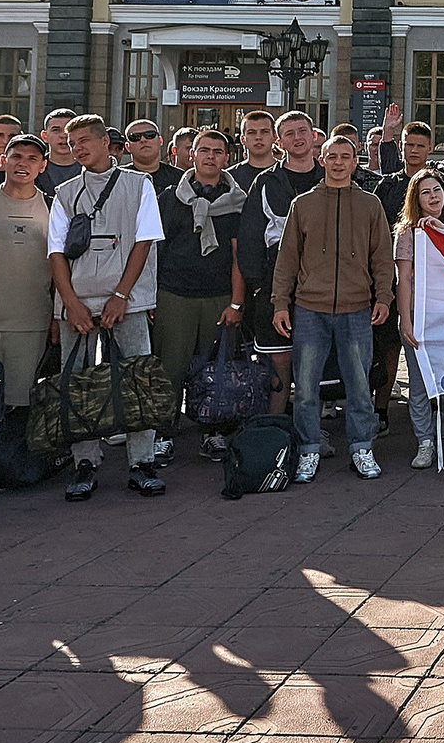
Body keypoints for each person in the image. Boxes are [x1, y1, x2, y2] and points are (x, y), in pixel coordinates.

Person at [48, 115, 168, 500]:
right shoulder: (66, 192)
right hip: (78, 303)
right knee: (78, 383)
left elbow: (144, 241)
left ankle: (142, 461)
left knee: (137, 379)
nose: (77, 148)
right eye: (72, 143)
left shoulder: (139, 185)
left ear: (105, 142)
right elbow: (55, 252)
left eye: (84, 140)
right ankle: (84, 461)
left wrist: (122, 295)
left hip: (127, 301)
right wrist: (70, 303)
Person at [272, 135, 395, 483]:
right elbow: (287, 259)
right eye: (332, 156)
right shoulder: (303, 204)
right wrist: (280, 302)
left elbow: (382, 257)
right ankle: (309, 449)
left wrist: (383, 297)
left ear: (355, 162)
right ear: (321, 159)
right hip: (310, 308)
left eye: (345, 156)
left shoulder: (370, 204)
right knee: (305, 388)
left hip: (357, 308)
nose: (339, 162)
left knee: (359, 386)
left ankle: (362, 448)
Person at [157, 128, 246, 454]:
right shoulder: (170, 198)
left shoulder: (237, 201)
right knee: (170, 368)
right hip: (174, 294)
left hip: (218, 296)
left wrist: (236, 303)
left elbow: (239, 256)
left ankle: (214, 430)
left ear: (227, 157)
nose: (210, 156)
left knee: (216, 367)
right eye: (204, 150)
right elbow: (155, 249)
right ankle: (164, 433)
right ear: (191, 154)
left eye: (217, 151)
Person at [0, 134, 56, 458]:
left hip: (31, 324)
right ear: (3, 159)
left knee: (20, 405)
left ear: (43, 166)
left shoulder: (53, 206)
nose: (23, 164)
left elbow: (60, 267)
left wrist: (56, 316)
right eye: (17, 156)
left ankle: (9, 466)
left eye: (32, 159)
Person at [239, 112, 325, 415]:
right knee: (278, 362)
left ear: (314, 136)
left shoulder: (331, 177)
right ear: (279, 141)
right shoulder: (265, 182)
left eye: (302, 131)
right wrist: (258, 285)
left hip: (323, 284)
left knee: (315, 361)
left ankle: (310, 428)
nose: (297, 138)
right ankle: (275, 425)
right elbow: (250, 237)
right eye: (289, 133)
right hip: (274, 285)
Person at [392, 171, 444, 468]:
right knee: (419, 382)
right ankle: (425, 441)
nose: (433, 196)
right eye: (425, 192)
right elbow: (403, 279)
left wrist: (442, 229)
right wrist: (405, 320)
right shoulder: (406, 232)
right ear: (416, 199)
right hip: (420, 315)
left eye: (437, 190)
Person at [123, 120, 180, 192]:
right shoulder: (117, 179)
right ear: (127, 147)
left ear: (160, 141)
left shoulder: (180, 178)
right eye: (135, 137)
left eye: (150, 135)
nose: (143, 140)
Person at [231, 110, 281, 193]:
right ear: (243, 139)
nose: (258, 137)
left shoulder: (287, 174)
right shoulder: (230, 178)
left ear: (274, 137)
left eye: (264, 132)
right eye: (252, 132)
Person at [35, 109, 82, 195]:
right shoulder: (33, 169)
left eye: (69, 130)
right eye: (56, 130)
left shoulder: (91, 169)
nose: (63, 135)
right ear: (45, 136)